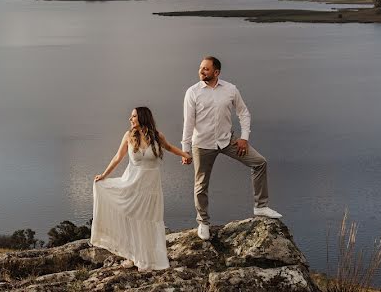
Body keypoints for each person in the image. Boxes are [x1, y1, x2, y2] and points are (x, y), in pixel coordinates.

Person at [181, 56, 282, 241]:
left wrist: (244, 138)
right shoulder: (192, 92)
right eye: (200, 68)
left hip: (227, 141)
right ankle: (203, 222)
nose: (201, 71)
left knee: (260, 163)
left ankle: (260, 206)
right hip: (202, 144)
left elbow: (244, 113)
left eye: (206, 69)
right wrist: (185, 149)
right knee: (200, 185)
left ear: (216, 72)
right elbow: (188, 123)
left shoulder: (230, 89)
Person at [91, 106, 191, 270]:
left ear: (143, 117)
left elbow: (170, 147)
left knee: (150, 221)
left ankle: (151, 258)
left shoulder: (157, 136)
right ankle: (134, 256)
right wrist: (104, 175)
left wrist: (185, 155)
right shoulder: (128, 136)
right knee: (133, 221)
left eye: (134, 116)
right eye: (131, 116)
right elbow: (117, 157)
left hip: (151, 189)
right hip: (132, 185)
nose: (130, 119)